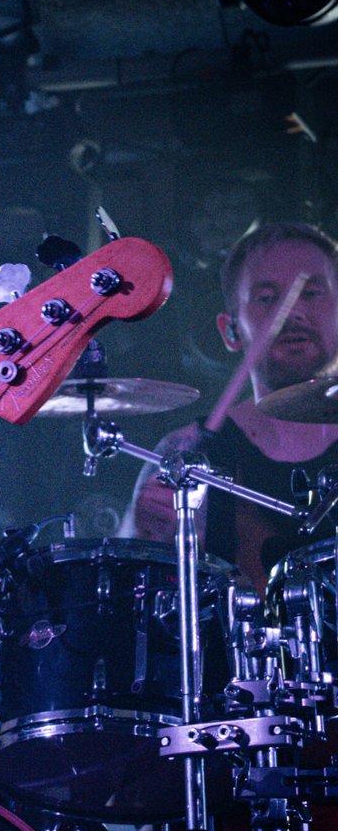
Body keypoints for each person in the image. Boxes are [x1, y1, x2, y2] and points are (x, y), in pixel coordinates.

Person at [121, 222, 338, 591]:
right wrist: (142, 527)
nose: (293, 313)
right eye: (267, 298)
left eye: (312, 293)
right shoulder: (189, 455)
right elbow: (131, 592)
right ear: (230, 331)